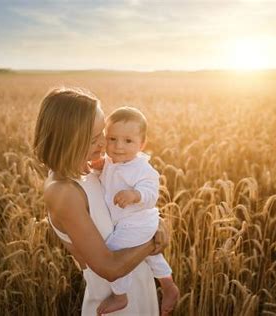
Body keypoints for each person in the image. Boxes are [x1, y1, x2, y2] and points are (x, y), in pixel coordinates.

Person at [33, 87, 170, 316]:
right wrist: (153, 239)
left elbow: (125, 207)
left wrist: (153, 219)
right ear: (69, 138)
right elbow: (110, 267)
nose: (103, 145)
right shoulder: (63, 191)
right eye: (94, 138)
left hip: (139, 289)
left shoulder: (90, 170)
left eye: (103, 135)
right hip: (115, 306)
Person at [94, 107, 179, 315]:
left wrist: (135, 195)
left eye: (128, 141)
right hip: (128, 221)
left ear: (142, 144)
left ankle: (120, 296)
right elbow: (100, 167)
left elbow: (151, 194)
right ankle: (169, 286)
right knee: (153, 257)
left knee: (113, 250)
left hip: (138, 221)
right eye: (112, 139)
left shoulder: (142, 169)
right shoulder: (110, 162)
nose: (118, 147)